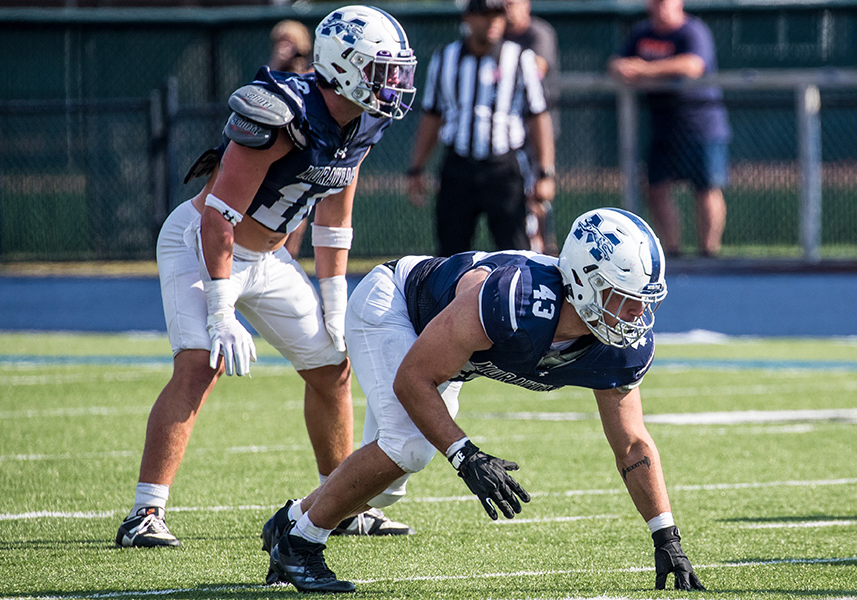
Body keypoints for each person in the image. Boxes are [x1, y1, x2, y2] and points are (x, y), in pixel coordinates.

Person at [262, 207, 706, 593]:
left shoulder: (619, 348)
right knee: (408, 446)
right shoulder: (515, 298)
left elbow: (631, 444)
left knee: (388, 487)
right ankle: (301, 545)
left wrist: (666, 536)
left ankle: (292, 519)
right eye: (625, 299)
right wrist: (465, 455)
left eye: (641, 302)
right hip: (394, 306)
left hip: (449, 353)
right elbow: (413, 379)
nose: (636, 315)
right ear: (584, 282)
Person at [115, 5, 418, 549]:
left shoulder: (365, 119)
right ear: (343, 66)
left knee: (332, 366)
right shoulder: (280, 111)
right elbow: (218, 218)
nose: (392, 82)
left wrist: (333, 299)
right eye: (380, 69)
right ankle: (144, 513)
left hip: (269, 259)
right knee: (198, 364)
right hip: (202, 246)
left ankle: (338, 503)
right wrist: (220, 309)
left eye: (395, 70)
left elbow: (334, 217)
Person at [407, 0, 555, 257]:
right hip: (458, 166)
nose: (492, 22)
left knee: (518, 252)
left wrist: (545, 173)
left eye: (498, 15)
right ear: (467, 18)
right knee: (450, 254)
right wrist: (417, 168)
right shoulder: (445, 58)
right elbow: (432, 115)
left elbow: (538, 118)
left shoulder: (520, 59)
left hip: (504, 168)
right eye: (484, 14)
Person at [607, 0, 730, 258]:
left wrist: (644, 70)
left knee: (706, 188)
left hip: (700, 125)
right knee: (656, 189)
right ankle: (672, 252)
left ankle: (709, 253)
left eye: (665, 1)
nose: (659, 6)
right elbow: (617, 63)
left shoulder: (692, 31)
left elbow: (692, 66)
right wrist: (625, 68)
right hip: (662, 126)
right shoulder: (642, 33)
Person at [504, 0, 561, 256]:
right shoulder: (497, 36)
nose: (506, 9)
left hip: (534, 134)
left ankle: (544, 250)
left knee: (538, 195)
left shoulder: (538, 33)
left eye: (511, 3)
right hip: (504, 136)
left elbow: (538, 67)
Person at [267, 19, 314, 260]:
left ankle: (288, 258)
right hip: (272, 154)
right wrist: (277, 62)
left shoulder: (313, 78)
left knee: (298, 210)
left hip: (304, 154)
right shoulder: (271, 77)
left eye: (290, 42)